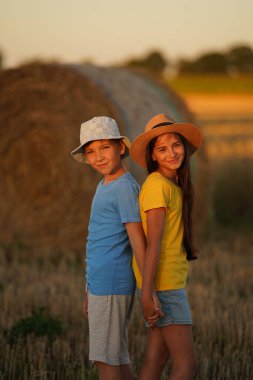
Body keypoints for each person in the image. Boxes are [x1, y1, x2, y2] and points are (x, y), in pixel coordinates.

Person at [71, 116, 153, 380]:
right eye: (91, 152)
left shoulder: (123, 188)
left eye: (104, 147)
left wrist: (147, 291)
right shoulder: (105, 184)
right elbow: (97, 242)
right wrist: (89, 290)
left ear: (120, 147)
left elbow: (137, 239)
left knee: (105, 361)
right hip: (100, 283)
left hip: (112, 282)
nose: (98, 157)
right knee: (115, 357)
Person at [130, 114, 203, 380]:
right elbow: (153, 245)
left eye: (176, 145)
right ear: (153, 156)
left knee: (156, 359)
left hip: (165, 282)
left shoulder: (172, 185)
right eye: (162, 149)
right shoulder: (158, 187)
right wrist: (148, 295)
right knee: (186, 366)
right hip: (165, 286)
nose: (172, 153)